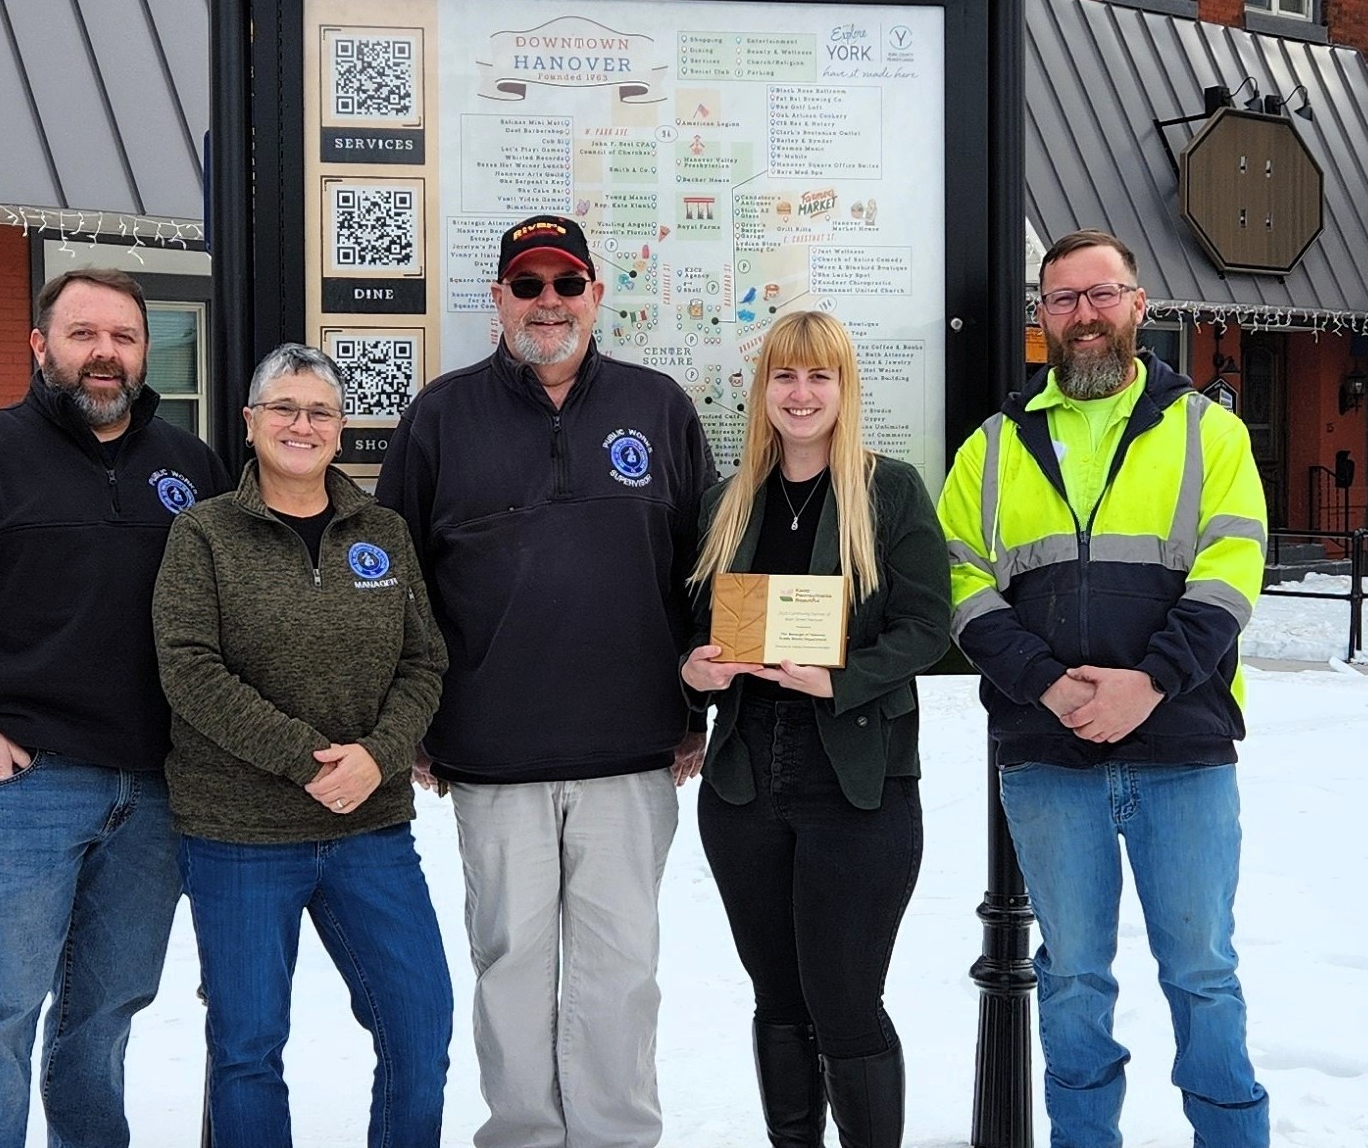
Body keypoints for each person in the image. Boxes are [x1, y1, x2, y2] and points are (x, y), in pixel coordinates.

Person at [0, 267, 230, 1148]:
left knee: (106, 1011)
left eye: (124, 336)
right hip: (29, 786)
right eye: (83, 333)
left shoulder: (191, 467)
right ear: (40, 344)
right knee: (2, 1009)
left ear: (146, 350)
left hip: (156, 792)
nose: (105, 353)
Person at [376, 213, 716, 1148]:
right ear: (498, 300)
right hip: (491, 752)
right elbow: (396, 582)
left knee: (622, 970)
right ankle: (522, 1136)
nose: (548, 301)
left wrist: (695, 705)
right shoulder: (440, 416)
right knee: (510, 966)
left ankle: (616, 1139)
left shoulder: (660, 407)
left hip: (631, 748)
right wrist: (413, 721)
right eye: (527, 285)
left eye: (567, 283)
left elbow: (704, 568)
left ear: (596, 295)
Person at [937, 229, 1270, 1148]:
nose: (1084, 314)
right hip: (1049, 758)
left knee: (1202, 974)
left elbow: (1232, 574)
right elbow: (959, 580)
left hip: (1183, 753)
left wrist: (1150, 682)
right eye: (1063, 299)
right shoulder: (994, 447)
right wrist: (1046, 684)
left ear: (1138, 304)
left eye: (1101, 294)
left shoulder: (1210, 432)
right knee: (1074, 978)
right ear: (1042, 317)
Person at [152, 341, 452, 1148]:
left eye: (320, 410)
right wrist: (307, 758)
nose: (302, 424)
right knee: (247, 1049)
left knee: (420, 1025)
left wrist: (378, 755)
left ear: (341, 428)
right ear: (250, 422)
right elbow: (190, 669)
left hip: (370, 828)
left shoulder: (382, 531)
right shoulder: (204, 533)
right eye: (283, 407)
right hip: (240, 835)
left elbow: (424, 660)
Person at [681, 310, 950, 1148]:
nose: (800, 394)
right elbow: (689, 632)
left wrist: (841, 677)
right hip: (745, 781)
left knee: (844, 1000)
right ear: (762, 389)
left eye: (818, 376)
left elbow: (928, 625)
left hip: (855, 779)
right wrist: (696, 673)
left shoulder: (889, 490)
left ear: (844, 388)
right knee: (779, 1000)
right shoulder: (728, 502)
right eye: (784, 376)